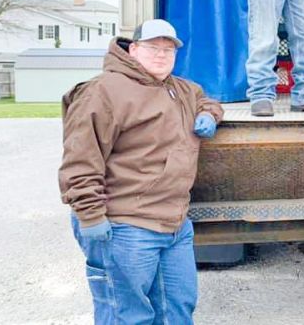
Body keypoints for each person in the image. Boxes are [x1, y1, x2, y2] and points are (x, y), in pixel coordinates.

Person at [59, 19, 224, 324]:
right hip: (126, 226)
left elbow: (206, 99)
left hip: (174, 225)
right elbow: (80, 161)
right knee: (128, 315)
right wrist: (91, 216)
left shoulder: (181, 89)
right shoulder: (103, 92)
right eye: (152, 48)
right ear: (132, 49)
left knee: (178, 309)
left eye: (168, 49)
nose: (162, 55)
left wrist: (208, 113)